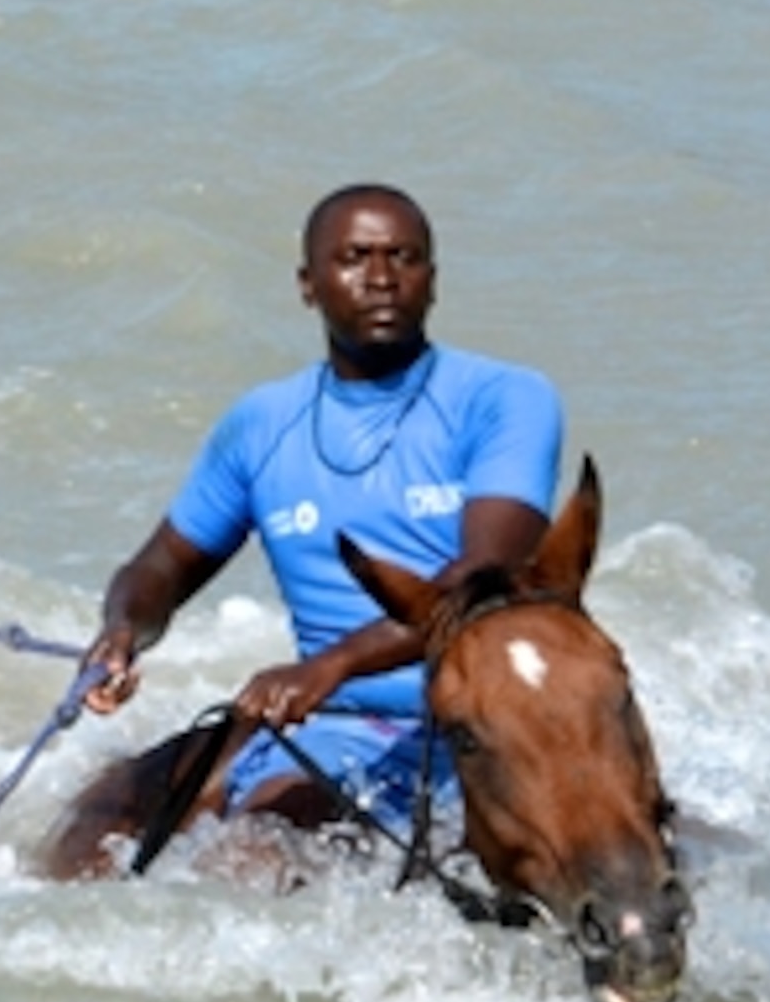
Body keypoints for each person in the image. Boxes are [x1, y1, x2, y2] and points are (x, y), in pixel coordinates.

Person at [77, 185, 566, 827]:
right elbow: (161, 568)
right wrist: (120, 633)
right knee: (258, 850)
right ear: (308, 285)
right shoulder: (261, 424)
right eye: (356, 258)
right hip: (339, 726)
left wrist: (330, 665)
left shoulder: (506, 399)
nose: (383, 278)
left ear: (433, 281)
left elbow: (482, 583)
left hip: (496, 714)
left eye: (404, 257)